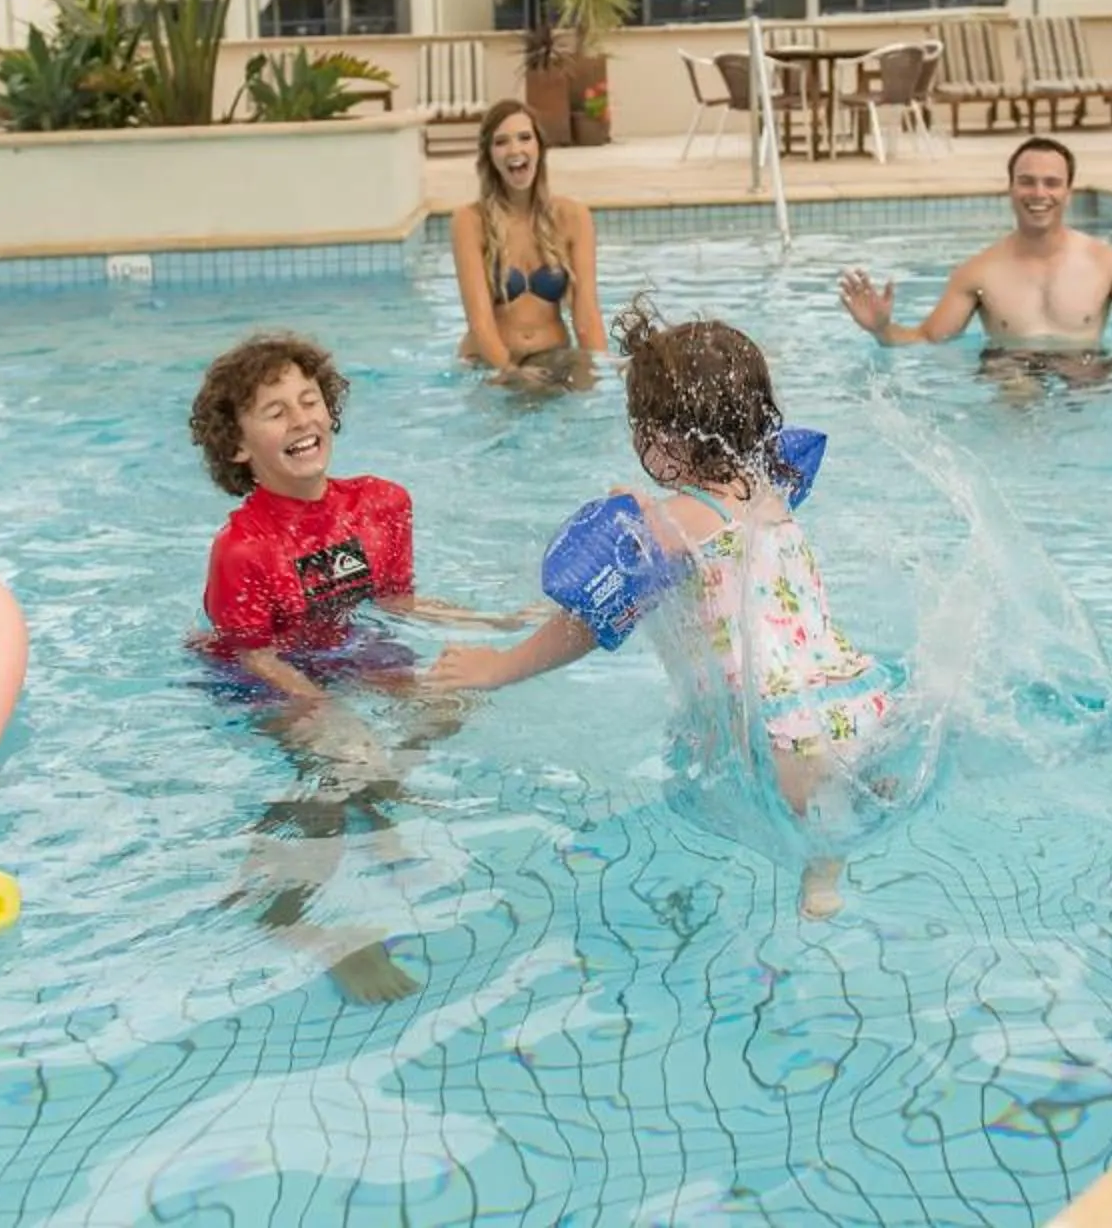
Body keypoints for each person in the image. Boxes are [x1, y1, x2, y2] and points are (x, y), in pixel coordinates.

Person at [427, 306, 887, 920]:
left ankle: (812, 867)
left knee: (710, 826)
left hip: (773, 741)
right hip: (857, 709)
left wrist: (501, 666)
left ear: (660, 442)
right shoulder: (772, 492)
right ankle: (825, 869)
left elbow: (593, 620)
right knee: (834, 814)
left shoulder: (668, 528)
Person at [188, 331, 529, 1002]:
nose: (301, 418)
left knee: (455, 697)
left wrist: (489, 623)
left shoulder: (379, 505)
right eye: (274, 411)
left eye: (308, 400)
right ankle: (291, 919)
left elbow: (394, 601)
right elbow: (251, 651)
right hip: (261, 674)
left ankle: (379, 813)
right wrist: (315, 704)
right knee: (347, 750)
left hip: (343, 649)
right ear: (238, 446)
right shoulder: (242, 548)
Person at [837, 136, 1112, 383]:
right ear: (1010, 188)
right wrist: (883, 330)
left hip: (1088, 368)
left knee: (1092, 396)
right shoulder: (978, 272)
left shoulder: (1108, 265)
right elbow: (928, 338)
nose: (1039, 193)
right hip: (1008, 366)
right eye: (1027, 181)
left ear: (1069, 191)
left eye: (1052, 183)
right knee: (1012, 389)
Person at [451, 99, 607, 389]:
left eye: (525, 138)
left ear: (539, 148)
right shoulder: (470, 222)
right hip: (489, 361)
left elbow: (586, 315)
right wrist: (509, 369)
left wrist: (602, 369)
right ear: (489, 155)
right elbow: (480, 322)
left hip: (553, 357)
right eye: (501, 142)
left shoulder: (573, 217)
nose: (515, 150)